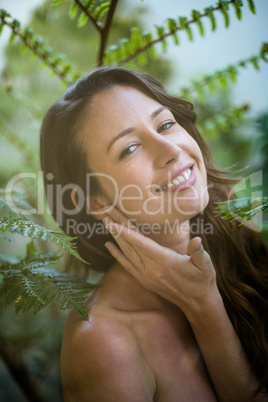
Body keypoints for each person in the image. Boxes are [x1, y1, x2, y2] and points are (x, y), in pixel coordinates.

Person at [40, 67, 268, 401]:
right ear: (94, 201)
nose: (171, 149)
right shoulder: (104, 342)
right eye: (130, 148)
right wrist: (204, 306)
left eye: (165, 124)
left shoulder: (247, 238)